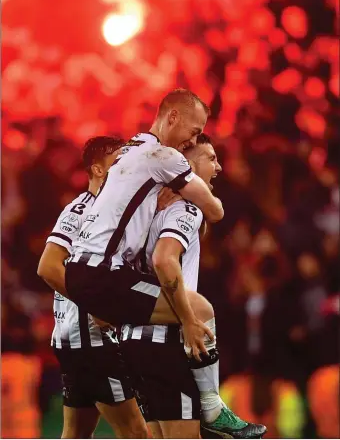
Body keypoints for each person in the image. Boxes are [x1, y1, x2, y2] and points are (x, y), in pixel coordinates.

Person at [121, 134, 267, 439]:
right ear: (186, 165)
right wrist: (188, 319)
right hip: (166, 341)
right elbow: (165, 260)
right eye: (211, 158)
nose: (220, 167)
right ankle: (214, 407)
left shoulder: (142, 209)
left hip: (133, 339)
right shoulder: (185, 210)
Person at [65, 88, 224, 362]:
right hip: (103, 273)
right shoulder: (164, 157)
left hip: (82, 269)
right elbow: (215, 210)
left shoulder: (131, 148)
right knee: (198, 308)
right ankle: (210, 400)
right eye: (194, 131)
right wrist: (187, 321)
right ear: (173, 117)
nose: (193, 140)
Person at [38, 136, 148, 439]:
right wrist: (96, 305)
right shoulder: (83, 210)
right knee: (136, 432)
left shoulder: (113, 210)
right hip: (90, 340)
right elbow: (48, 266)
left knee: (76, 432)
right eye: (119, 163)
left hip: (76, 339)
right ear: (98, 170)